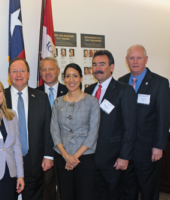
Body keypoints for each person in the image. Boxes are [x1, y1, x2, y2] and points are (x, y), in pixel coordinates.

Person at [118, 44, 170, 200]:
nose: (135, 61)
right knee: (128, 189)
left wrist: (159, 146)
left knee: (148, 191)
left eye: (139, 58)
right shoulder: (121, 82)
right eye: (131, 58)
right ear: (126, 60)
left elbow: (164, 116)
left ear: (146, 60)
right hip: (126, 150)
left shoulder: (159, 83)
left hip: (148, 150)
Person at [85, 50, 137, 200]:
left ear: (112, 67)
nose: (97, 68)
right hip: (91, 158)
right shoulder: (88, 91)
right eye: (94, 65)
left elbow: (130, 127)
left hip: (114, 160)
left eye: (102, 64)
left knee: (114, 195)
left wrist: (124, 157)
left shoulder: (124, 90)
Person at [5, 57, 54, 200]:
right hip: (8, 161)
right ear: (9, 75)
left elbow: (48, 128)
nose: (18, 75)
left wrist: (48, 155)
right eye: (14, 71)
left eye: (22, 71)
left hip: (34, 160)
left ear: (29, 73)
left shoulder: (41, 97)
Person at [51, 63, 100, 200]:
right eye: (68, 76)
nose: (71, 80)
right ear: (63, 78)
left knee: (85, 195)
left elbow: (93, 133)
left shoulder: (92, 102)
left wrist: (74, 158)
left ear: (81, 78)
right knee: (65, 195)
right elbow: (54, 131)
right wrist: (66, 156)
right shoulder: (58, 102)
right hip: (63, 157)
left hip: (85, 157)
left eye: (75, 76)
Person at [36, 57, 67, 200]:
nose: (47, 72)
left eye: (51, 68)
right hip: (43, 151)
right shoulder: (34, 94)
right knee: (46, 188)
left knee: (65, 187)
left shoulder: (69, 91)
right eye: (44, 69)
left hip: (66, 150)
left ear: (58, 71)